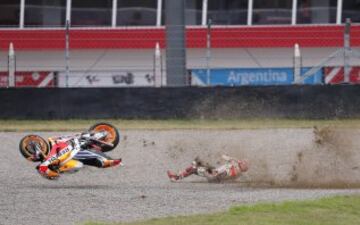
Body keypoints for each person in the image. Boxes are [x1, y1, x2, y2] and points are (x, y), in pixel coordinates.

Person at [30, 133, 122, 180]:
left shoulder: (51, 148)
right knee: (81, 163)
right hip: (70, 155)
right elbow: (55, 173)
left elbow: (59, 140)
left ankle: (105, 160)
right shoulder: (51, 165)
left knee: (82, 154)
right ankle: (106, 162)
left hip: (70, 147)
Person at [167, 155, 249, 182]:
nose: (241, 162)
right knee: (197, 162)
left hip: (213, 176)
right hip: (214, 171)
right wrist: (234, 159)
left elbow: (222, 176)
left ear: (243, 168)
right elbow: (223, 156)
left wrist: (212, 174)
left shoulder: (236, 171)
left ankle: (176, 177)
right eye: (242, 161)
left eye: (243, 163)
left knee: (193, 169)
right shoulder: (234, 165)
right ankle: (176, 176)